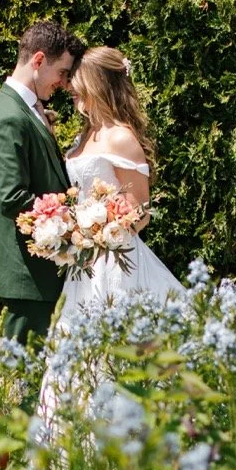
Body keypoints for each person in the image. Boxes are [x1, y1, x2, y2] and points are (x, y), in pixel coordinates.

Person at [0, 21, 85, 346]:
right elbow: (12, 197)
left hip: (38, 269)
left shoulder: (27, 108)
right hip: (26, 271)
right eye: (62, 72)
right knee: (24, 376)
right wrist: (71, 224)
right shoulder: (10, 115)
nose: (63, 83)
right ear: (38, 60)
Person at [59, 46, 183, 310]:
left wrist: (99, 237)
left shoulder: (120, 137)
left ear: (98, 83)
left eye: (77, 81)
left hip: (115, 263)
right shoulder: (84, 135)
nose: (70, 87)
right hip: (82, 260)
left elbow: (140, 212)